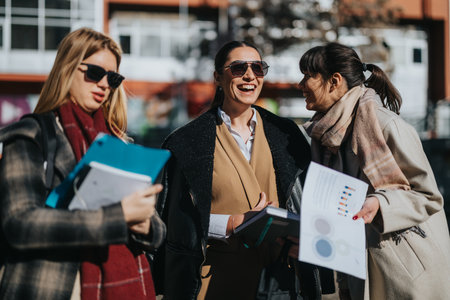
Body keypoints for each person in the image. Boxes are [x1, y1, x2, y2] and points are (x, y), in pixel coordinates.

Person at [153, 40, 334, 300]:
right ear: (217, 77)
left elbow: (312, 201)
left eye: (258, 68)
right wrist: (233, 223)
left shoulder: (288, 135)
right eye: (239, 68)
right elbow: (175, 224)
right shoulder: (185, 143)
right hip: (214, 283)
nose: (250, 75)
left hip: (279, 282)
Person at [0, 27, 165, 300]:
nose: (103, 84)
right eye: (94, 73)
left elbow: (157, 231)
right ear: (67, 68)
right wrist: (118, 217)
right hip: (52, 288)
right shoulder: (31, 135)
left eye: (112, 78)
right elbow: (20, 224)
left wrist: (144, 223)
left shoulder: (120, 145)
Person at [298, 42, 450, 299]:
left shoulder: (386, 125)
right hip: (358, 264)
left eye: (307, 76)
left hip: (405, 270)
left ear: (334, 81)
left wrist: (380, 203)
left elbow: (429, 196)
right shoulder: (325, 135)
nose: (300, 84)